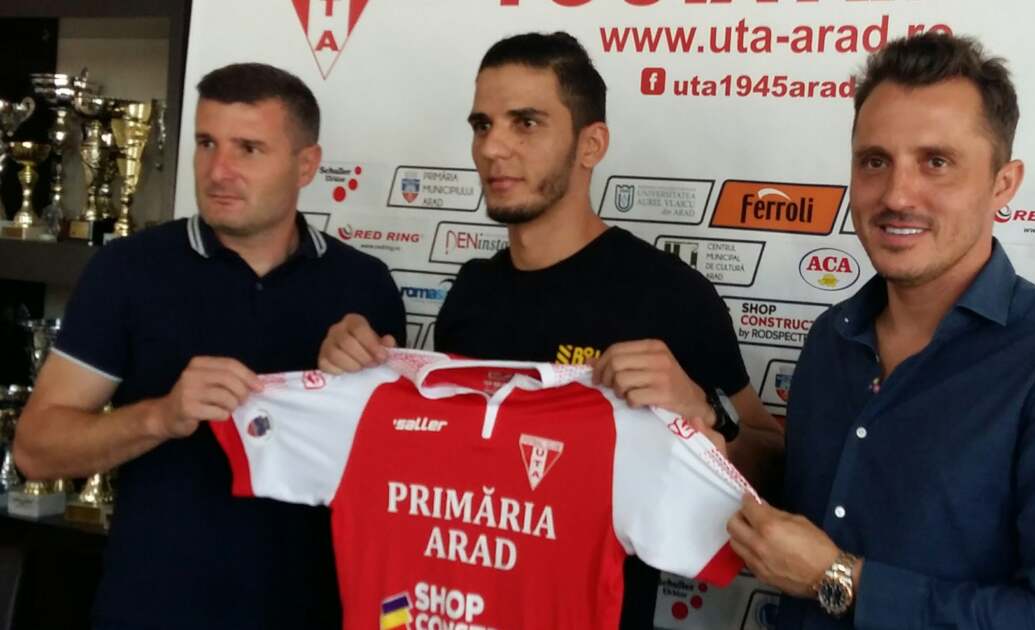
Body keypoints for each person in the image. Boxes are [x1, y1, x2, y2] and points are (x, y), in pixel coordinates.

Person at [317, 32, 783, 629]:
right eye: (482, 125)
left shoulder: (669, 294)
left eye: (526, 123)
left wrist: (706, 414)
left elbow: (773, 468)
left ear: (591, 144)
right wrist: (357, 381)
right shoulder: (472, 291)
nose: (493, 148)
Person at [725, 33, 1035, 629]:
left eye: (937, 162)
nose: (897, 195)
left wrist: (837, 578)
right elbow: (807, 513)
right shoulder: (831, 338)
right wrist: (705, 431)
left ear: (1003, 184)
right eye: (875, 161)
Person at [14, 63, 406, 630]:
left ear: (306, 165)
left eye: (248, 148)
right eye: (206, 144)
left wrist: (364, 381)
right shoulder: (128, 270)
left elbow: (393, 475)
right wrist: (161, 416)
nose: (219, 171)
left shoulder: (364, 286)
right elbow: (35, 449)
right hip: (154, 611)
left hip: (314, 611)